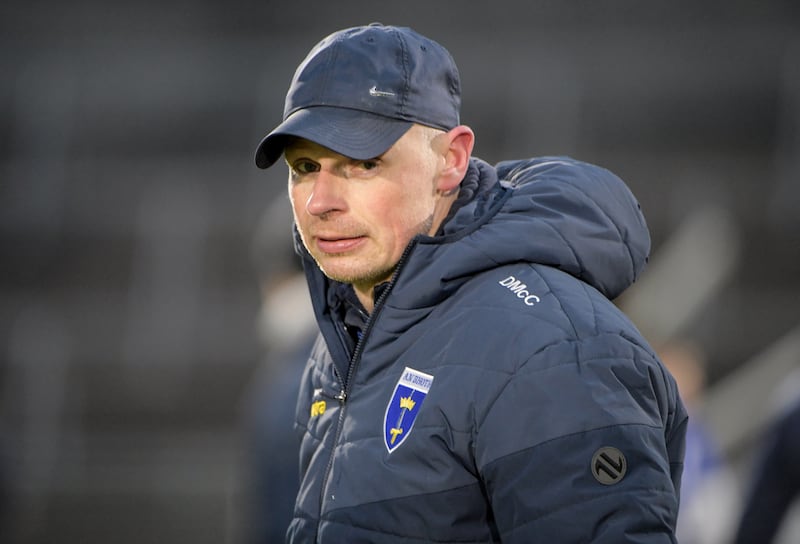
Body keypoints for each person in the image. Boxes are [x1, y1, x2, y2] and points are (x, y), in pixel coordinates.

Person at [253, 23, 688, 543]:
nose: (320, 201)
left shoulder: (550, 347)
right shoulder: (346, 332)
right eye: (304, 167)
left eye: (362, 164)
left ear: (451, 161)